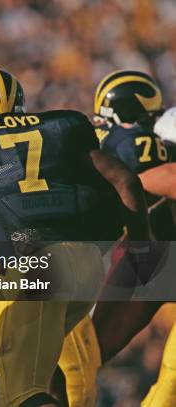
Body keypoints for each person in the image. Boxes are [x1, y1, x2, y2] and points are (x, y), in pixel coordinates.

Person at [0, 69, 150, 407]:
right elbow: (127, 182)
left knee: (3, 378)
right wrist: (140, 249)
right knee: (51, 379)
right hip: (72, 259)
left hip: (7, 262)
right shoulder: (57, 132)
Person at [92, 73, 176, 407]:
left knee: (172, 380)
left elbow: (169, 178)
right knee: (84, 357)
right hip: (158, 247)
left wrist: (125, 179)